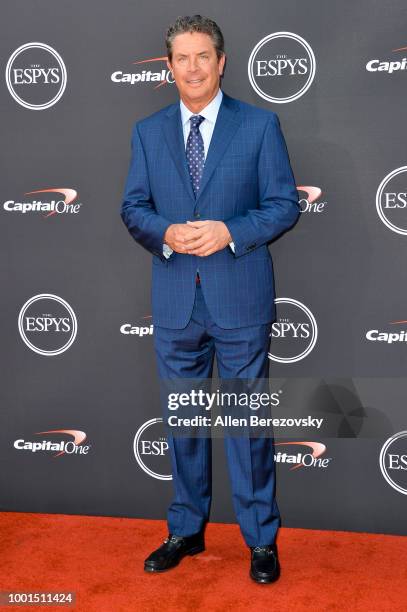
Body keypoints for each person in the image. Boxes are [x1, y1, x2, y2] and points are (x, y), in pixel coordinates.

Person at [120, 14, 300, 584]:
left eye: (204, 56)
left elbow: (283, 204)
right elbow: (134, 208)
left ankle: (260, 541)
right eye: (182, 58)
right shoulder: (148, 132)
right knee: (183, 424)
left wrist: (230, 231)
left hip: (239, 294)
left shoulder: (260, 125)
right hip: (176, 299)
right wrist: (166, 234)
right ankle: (186, 529)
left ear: (222, 62)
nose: (193, 68)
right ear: (168, 66)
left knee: (247, 424)